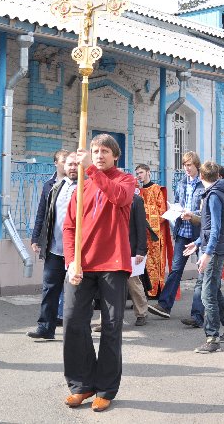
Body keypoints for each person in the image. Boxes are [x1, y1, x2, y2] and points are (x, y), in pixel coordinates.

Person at [62, 135, 137, 413]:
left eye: (105, 151)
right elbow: (69, 226)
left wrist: (91, 170)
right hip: (82, 265)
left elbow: (119, 197)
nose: (99, 155)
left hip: (113, 265)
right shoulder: (81, 186)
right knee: (72, 322)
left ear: (115, 156)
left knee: (111, 326)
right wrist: (72, 261)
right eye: (95, 151)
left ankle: (105, 389)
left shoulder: (125, 180)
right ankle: (81, 384)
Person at [182, 161, 224, 352]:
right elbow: (208, 226)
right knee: (213, 290)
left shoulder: (213, 196)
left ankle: (212, 338)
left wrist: (207, 253)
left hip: (214, 251)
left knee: (207, 295)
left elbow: (215, 228)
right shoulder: (216, 193)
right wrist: (197, 243)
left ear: (201, 176)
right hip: (212, 248)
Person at [27, 152, 79, 339]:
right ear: (63, 166)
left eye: (76, 164)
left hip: (78, 252)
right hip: (55, 249)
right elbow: (43, 214)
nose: (73, 167)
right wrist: (37, 238)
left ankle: (76, 331)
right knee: (49, 289)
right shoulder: (56, 187)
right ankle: (45, 328)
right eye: (69, 164)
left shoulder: (86, 187)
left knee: (77, 293)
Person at [149, 152, 204, 319]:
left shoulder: (203, 184)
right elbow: (179, 203)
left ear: (197, 166)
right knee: (176, 269)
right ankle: (164, 306)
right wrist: (175, 210)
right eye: (185, 165)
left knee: (203, 272)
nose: (187, 168)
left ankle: (198, 313)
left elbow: (205, 211)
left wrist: (191, 214)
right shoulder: (181, 183)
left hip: (199, 233)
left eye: (190, 165)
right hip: (182, 232)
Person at [31, 149, 70, 325]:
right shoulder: (49, 185)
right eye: (64, 161)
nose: (67, 165)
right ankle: (49, 323)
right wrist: (36, 238)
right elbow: (42, 213)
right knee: (51, 285)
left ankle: (64, 316)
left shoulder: (79, 185)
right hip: (53, 243)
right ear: (56, 163)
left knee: (71, 284)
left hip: (72, 245)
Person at [134, 164, 171, 300]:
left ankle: (156, 290)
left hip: (155, 234)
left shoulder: (156, 189)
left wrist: (145, 217)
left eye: (141, 172)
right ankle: (146, 291)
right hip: (142, 234)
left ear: (148, 172)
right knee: (143, 263)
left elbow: (162, 212)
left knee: (155, 262)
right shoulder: (138, 191)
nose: (139, 176)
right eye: (137, 173)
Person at [127, 188, 151, 327]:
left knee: (133, 283)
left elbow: (141, 227)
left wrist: (141, 250)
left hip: (131, 249)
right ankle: (106, 319)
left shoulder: (136, 200)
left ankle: (141, 313)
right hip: (114, 250)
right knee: (109, 286)